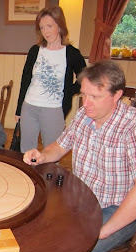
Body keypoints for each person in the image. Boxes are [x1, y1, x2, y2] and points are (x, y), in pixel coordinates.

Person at [23, 60, 136, 252]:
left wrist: (103, 231)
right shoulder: (83, 116)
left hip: (116, 208)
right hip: (79, 202)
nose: (86, 104)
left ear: (117, 95)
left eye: (95, 97)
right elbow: (60, 146)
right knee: (35, 234)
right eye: (84, 95)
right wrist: (42, 155)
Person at [15, 6, 86, 153]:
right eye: (42, 28)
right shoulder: (35, 51)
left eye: (49, 26)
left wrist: (68, 92)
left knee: (52, 153)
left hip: (54, 110)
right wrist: (18, 110)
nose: (46, 31)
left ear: (60, 25)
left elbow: (84, 78)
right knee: (26, 152)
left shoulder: (72, 53)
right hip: (29, 107)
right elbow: (25, 81)